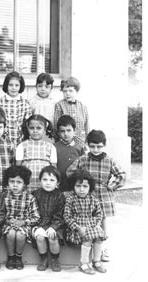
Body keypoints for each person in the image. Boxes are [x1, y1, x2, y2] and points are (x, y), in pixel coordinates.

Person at [67, 129, 125, 263]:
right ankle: (88, 243)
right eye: (92, 146)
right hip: (86, 195)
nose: (96, 149)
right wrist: (79, 182)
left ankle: (102, 247)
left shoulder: (110, 160)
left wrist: (112, 185)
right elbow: (70, 171)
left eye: (99, 146)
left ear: (104, 145)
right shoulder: (83, 159)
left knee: (102, 220)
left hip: (103, 195)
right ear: (87, 145)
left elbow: (121, 175)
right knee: (87, 218)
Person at [64, 169, 106, 275]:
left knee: (99, 236)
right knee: (88, 238)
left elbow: (99, 214)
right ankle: (83, 263)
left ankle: (96, 261)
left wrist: (97, 224)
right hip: (77, 229)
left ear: (90, 187)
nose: (81, 189)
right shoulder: (70, 199)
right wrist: (77, 227)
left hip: (91, 226)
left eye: (85, 186)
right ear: (73, 186)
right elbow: (67, 216)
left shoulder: (93, 199)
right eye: (78, 186)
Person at [2, 165, 40, 270]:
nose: (15, 185)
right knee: (11, 233)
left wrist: (23, 222)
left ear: (24, 184)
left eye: (18, 182)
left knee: (20, 235)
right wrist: (8, 221)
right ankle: (10, 257)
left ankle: (18, 257)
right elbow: (0, 214)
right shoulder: (3, 197)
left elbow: (36, 217)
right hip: (8, 224)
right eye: (12, 181)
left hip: (24, 224)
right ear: (7, 182)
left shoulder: (30, 198)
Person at [31, 166, 65, 272]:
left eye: (52, 180)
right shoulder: (35, 194)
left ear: (57, 183)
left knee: (52, 237)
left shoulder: (60, 196)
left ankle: (55, 259)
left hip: (56, 223)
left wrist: (53, 227)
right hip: (40, 222)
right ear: (40, 181)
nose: (48, 183)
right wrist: (36, 225)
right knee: (40, 237)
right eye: (45, 179)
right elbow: (33, 211)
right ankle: (43, 258)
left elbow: (60, 215)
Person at [16, 114, 57, 192]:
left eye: (39, 128)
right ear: (28, 129)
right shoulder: (22, 146)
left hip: (45, 184)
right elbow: (18, 167)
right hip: (27, 184)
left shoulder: (50, 147)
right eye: (32, 128)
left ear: (44, 130)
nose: (35, 131)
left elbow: (54, 169)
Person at [0, 71, 32, 145]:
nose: (13, 88)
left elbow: (28, 123)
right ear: (6, 85)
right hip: (3, 140)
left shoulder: (25, 103)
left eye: (17, 85)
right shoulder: (0, 103)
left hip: (21, 140)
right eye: (10, 85)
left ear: (21, 86)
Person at [54, 76, 89, 144]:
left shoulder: (83, 107)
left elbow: (87, 126)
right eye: (65, 91)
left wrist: (87, 143)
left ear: (76, 91)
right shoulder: (59, 105)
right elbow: (56, 126)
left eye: (70, 91)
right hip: (65, 142)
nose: (67, 93)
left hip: (80, 143)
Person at [54, 115, 85, 191]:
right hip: (59, 183)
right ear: (58, 133)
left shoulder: (79, 147)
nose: (66, 134)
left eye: (68, 130)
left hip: (75, 183)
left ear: (74, 131)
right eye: (62, 131)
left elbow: (83, 166)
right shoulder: (54, 147)